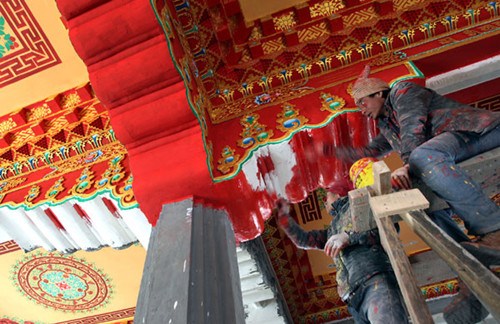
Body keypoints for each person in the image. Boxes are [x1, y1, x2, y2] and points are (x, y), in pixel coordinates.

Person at [319, 65, 500, 323]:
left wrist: (406, 163)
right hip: (446, 149)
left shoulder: (404, 92)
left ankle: (495, 228)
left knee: (421, 158)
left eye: (362, 101)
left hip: (480, 131)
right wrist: (334, 153)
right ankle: (472, 270)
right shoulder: (385, 124)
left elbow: (413, 126)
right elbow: (368, 152)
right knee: (417, 198)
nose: (361, 109)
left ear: (380, 93)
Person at [277, 158, 409, 324]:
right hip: (353, 298)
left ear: (338, 194)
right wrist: (284, 219)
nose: (325, 202)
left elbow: (387, 228)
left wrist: (349, 236)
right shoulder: (332, 228)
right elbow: (304, 240)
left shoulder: (363, 201)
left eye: (327, 196)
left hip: (374, 280)